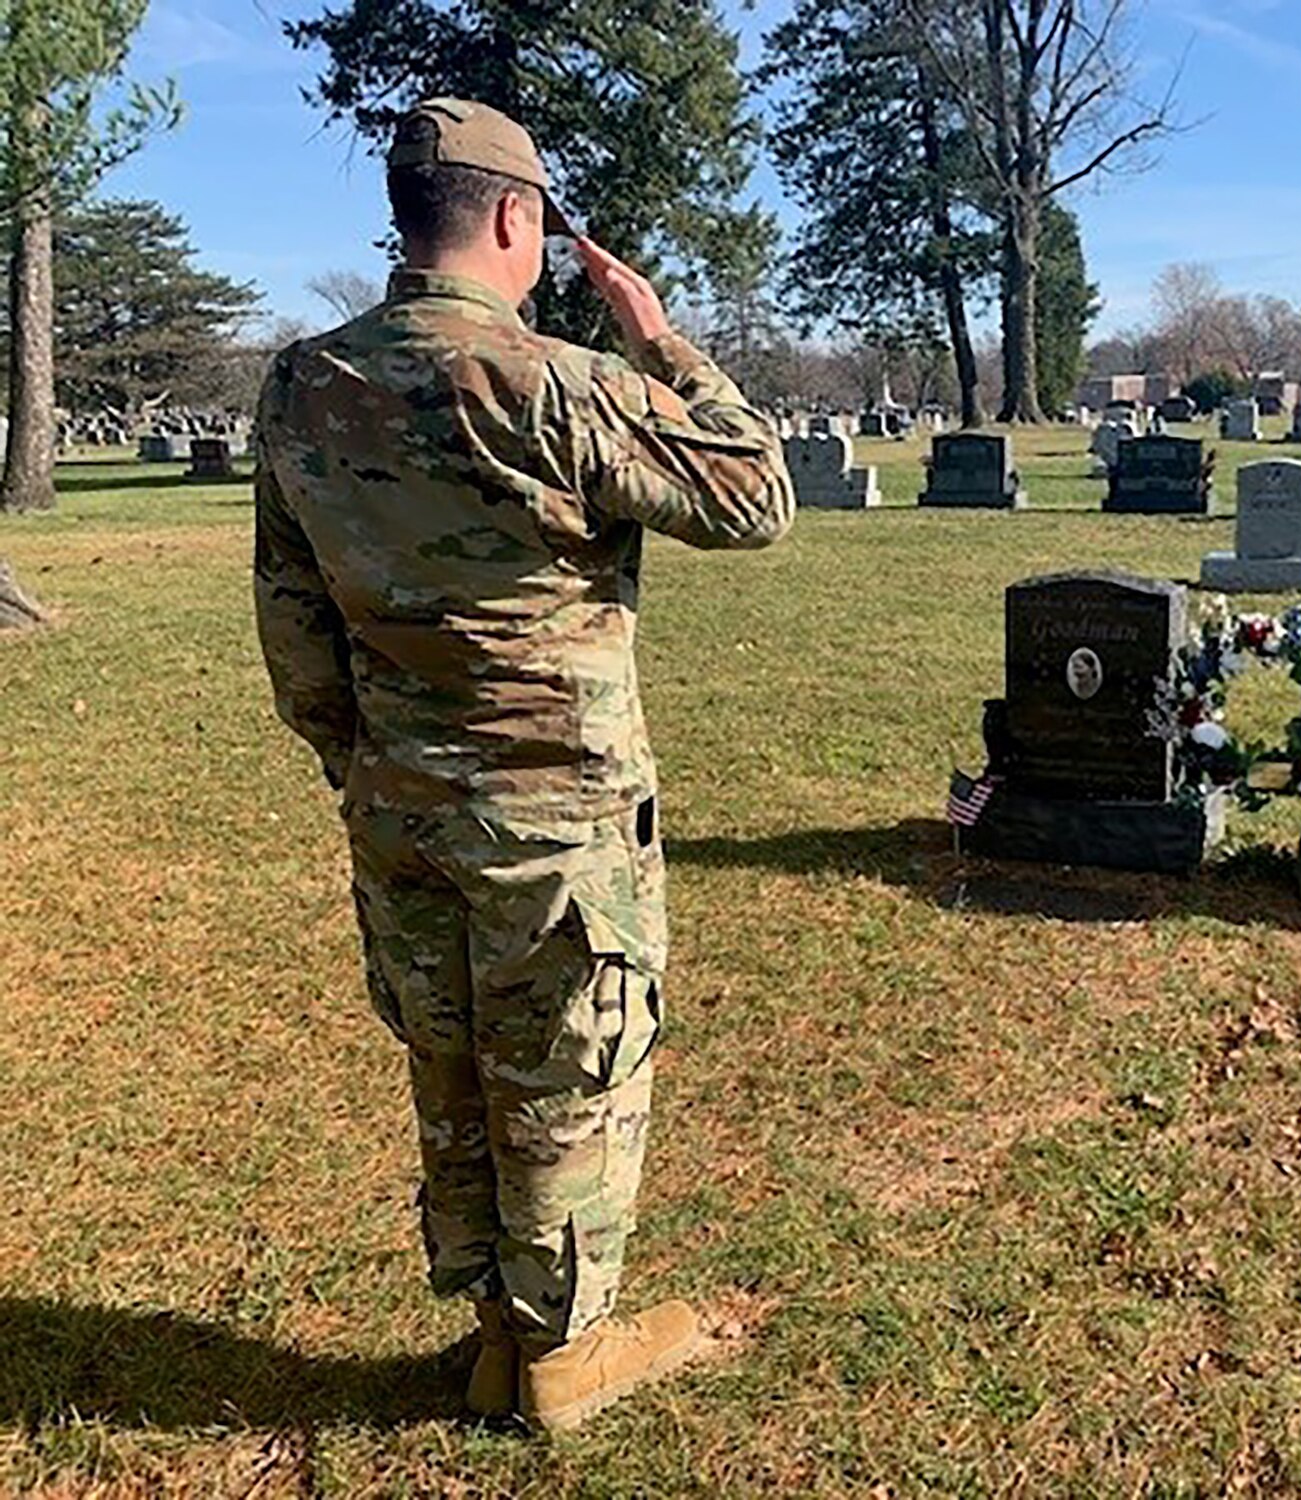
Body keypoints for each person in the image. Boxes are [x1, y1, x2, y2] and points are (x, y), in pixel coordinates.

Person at [252, 98, 794, 1433]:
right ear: (516, 219)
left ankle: (499, 1330)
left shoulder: (302, 383)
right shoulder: (556, 380)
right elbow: (754, 492)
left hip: (401, 805)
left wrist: (363, 766)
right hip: (557, 814)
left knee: (454, 1061)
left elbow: (292, 616)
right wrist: (656, 332)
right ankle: (564, 1356)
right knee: (568, 1069)